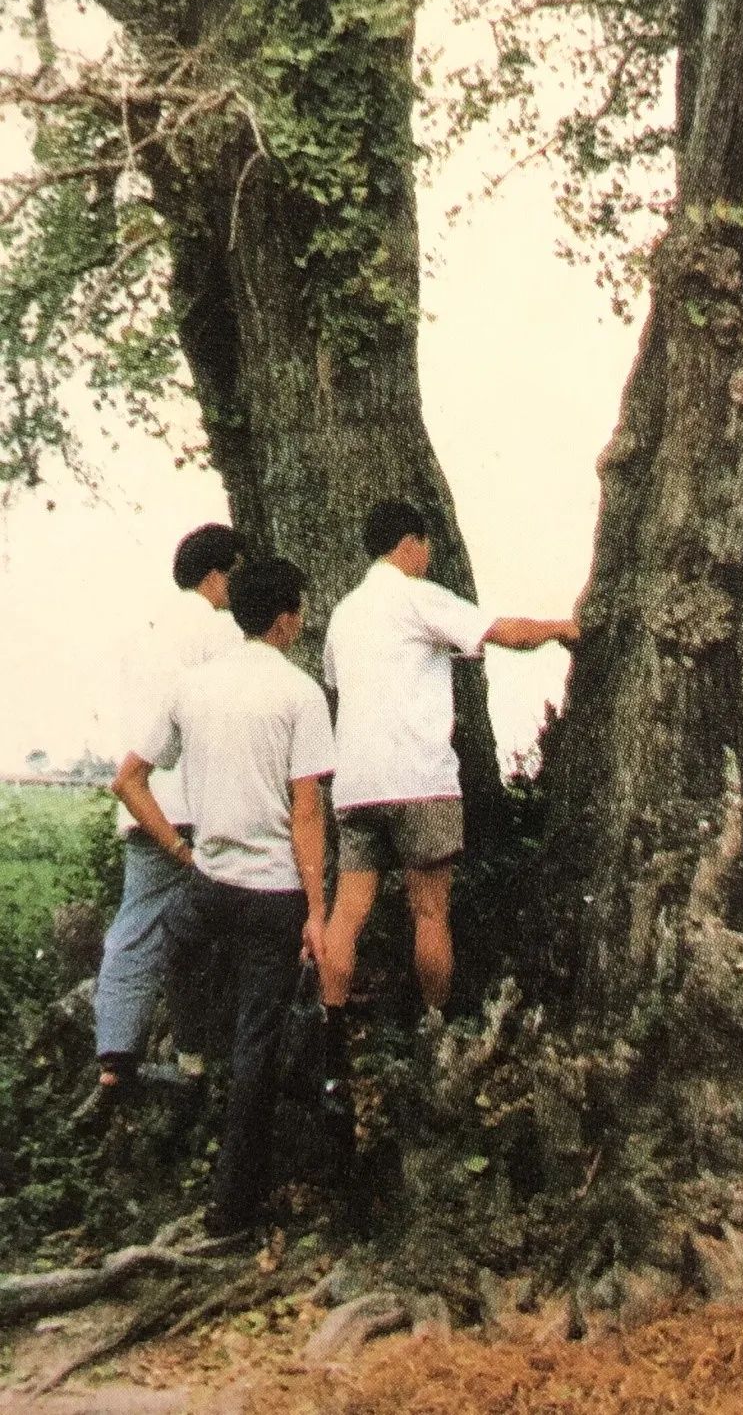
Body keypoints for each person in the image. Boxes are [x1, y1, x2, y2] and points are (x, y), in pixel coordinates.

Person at [319, 499, 579, 1097]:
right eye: (425, 546)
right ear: (409, 544)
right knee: (430, 912)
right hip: (418, 781)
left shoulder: (344, 614)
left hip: (355, 787)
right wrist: (563, 629)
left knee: (347, 914)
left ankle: (333, 1046)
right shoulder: (416, 596)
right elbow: (502, 633)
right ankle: (435, 1029)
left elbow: (336, 684)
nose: (428, 557)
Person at [113, 556, 334, 1237]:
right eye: (299, 611)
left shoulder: (193, 686)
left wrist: (179, 851)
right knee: (256, 1048)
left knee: (178, 946)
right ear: (285, 619)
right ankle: (232, 1211)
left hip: (208, 884)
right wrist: (317, 912)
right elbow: (307, 813)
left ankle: (190, 1061)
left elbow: (128, 780)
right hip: (273, 893)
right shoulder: (300, 694)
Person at [93, 523, 242, 1108]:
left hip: (143, 806)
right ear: (217, 576)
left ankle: (117, 1058)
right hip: (194, 806)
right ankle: (197, 1060)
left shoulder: (143, 634)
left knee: (138, 926)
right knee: (210, 933)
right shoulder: (220, 630)